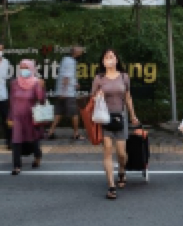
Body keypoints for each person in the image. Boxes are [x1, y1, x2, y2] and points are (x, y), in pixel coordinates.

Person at [90, 48, 139, 200]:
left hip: (120, 117)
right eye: (106, 57)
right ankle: (111, 186)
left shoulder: (124, 77)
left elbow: (128, 97)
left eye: (112, 56)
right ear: (103, 61)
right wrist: (97, 96)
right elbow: (92, 98)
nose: (109, 59)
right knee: (107, 150)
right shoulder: (99, 78)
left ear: (116, 60)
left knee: (121, 153)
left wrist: (133, 116)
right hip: (104, 118)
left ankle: (122, 171)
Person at [8, 59, 48, 174]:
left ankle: (37, 156)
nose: (23, 70)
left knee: (33, 139)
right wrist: (10, 116)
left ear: (31, 69)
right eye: (21, 67)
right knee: (16, 140)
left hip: (31, 116)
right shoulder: (14, 83)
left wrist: (42, 87)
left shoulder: (36, 83)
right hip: (17, 116)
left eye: (26, 67)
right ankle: (17, 166)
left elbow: (41, 100)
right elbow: (11, 100)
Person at [47, 45, 85, 141]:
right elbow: (66, 78)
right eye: (80, 51)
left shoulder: (65, 60)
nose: (82, 53)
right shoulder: (70, 62)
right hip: (68, 93)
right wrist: (64, 92)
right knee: (74, 113)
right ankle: (76, 134)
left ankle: (51, 132)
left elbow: (67, 76)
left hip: (61, 91)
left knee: (58, 113)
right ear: (75, 52)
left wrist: (75, 83)